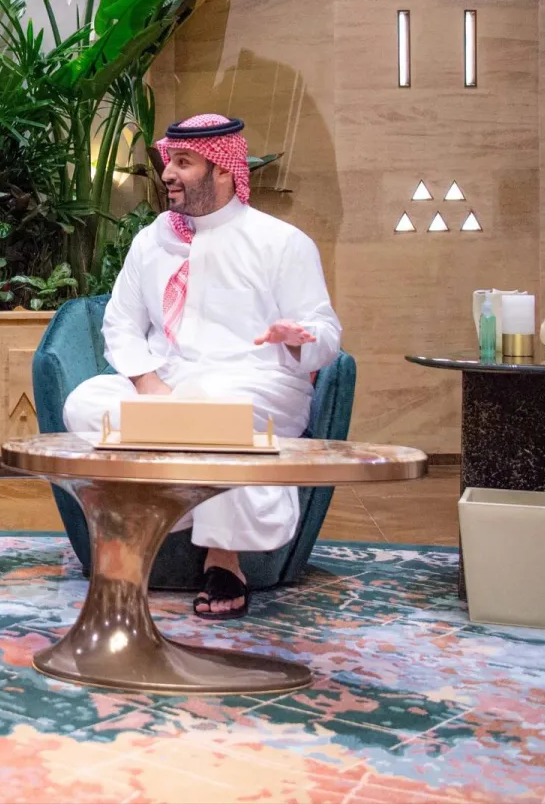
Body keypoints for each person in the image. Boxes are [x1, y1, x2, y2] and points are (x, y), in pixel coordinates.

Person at [62, 114, 341, 620]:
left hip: (257, 385)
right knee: (85, 405)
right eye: (169, 161)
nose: (168, 173)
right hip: (165, 387)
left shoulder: (281, 242)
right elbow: (120, 324)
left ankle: (223, 557)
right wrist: (149, 387)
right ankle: (163, 517)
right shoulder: (152, 241)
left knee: (213, 412)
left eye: (184, 163)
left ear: (224, 171)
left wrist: (298, 340)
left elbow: (326, 334)